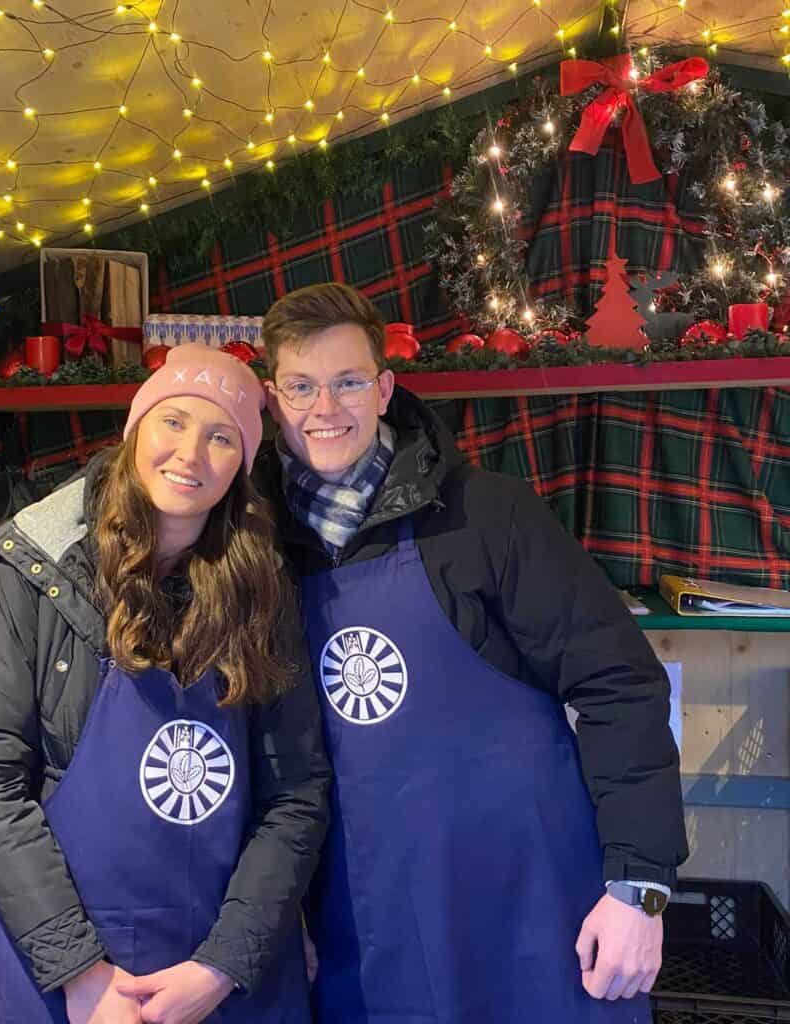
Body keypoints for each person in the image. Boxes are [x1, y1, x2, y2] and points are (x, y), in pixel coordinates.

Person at [255, 283, 689, 1023]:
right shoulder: (256, 551)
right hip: (366, 927)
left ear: (385, 388)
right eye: (301, 386)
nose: (324, 409)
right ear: (272, 399)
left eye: (349, 381)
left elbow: (621, 683)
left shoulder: (485, 514)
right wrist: (271, 919)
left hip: (536, 912)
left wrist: (637, 887)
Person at [0, 344, 330, 1024]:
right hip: (58, 970)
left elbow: (295, 796)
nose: (191, 453)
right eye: (173, 422)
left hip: (219, 977)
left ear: (241, 466)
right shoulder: (34, 574)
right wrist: (80, 975)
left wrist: (223, 966)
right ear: (135, 433)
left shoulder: (264, 592)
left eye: (221, 437)